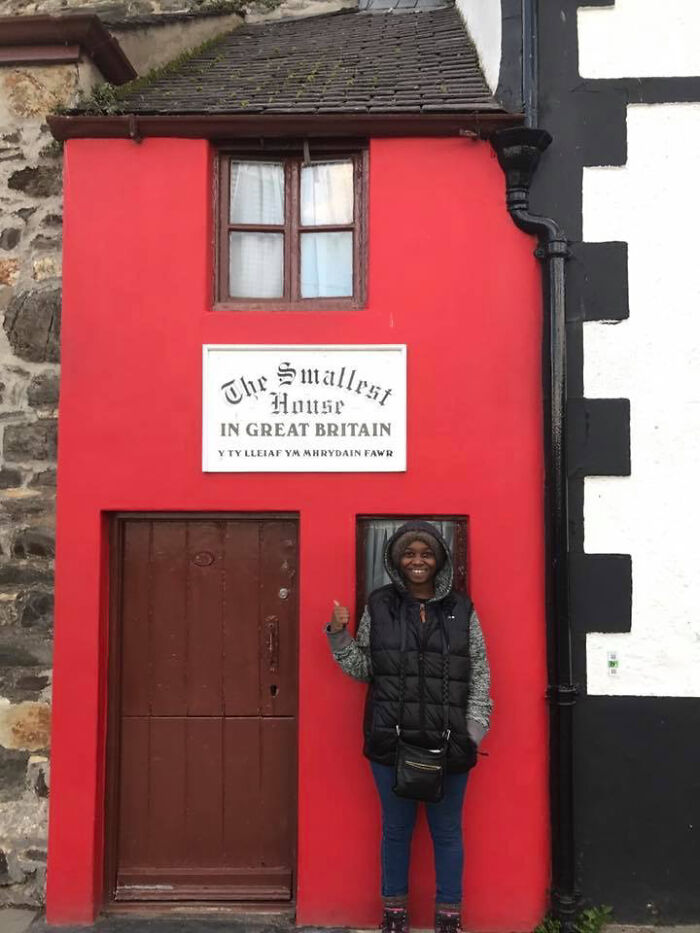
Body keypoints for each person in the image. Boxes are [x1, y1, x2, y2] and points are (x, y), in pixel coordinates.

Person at [326, 520, 492, 933]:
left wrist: (474, 728)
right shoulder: (379, 605)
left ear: (439, 560)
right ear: (396, 560)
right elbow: (365, 668)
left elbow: (480, 670)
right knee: (396, 831)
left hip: (449, 741)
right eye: (409, 554)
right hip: (390, 739)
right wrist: (338, 635)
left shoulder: (461, 609)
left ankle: (449, 918)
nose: (418, 561)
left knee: (447, 832)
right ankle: (394, 916)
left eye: (426, 553)